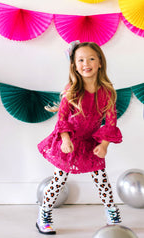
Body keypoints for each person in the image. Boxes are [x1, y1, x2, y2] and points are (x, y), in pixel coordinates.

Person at [36, 41, 122, 235]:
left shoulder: (107, 93)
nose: (86, 63)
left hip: (91, 142)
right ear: (74, 65)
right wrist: (65, 140)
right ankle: (44, 213)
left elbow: (111, 122)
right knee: (59, 180)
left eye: (91, 58)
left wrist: (105, 144)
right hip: (69, 141)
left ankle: (112, 212)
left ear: (100, 62)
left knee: (102, 179)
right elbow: (62, 119)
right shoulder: (72, 91)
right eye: (80, 59)